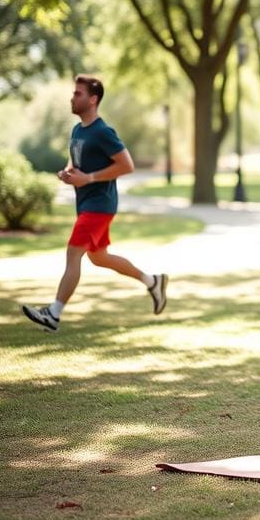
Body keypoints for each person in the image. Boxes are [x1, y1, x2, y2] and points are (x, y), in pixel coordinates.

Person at [21, 75, 168, 332]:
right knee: (99, 257)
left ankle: (53, 314)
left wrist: (88, 178)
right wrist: (67, 173)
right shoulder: (78, 130)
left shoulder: (103, 132)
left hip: (100, 205)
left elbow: (127, 165)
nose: (72, 97)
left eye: (78, 94)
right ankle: (152, 281)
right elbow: (75, 161)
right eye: (74, 93)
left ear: (93, 99)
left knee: (73, 253)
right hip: (87, 203)